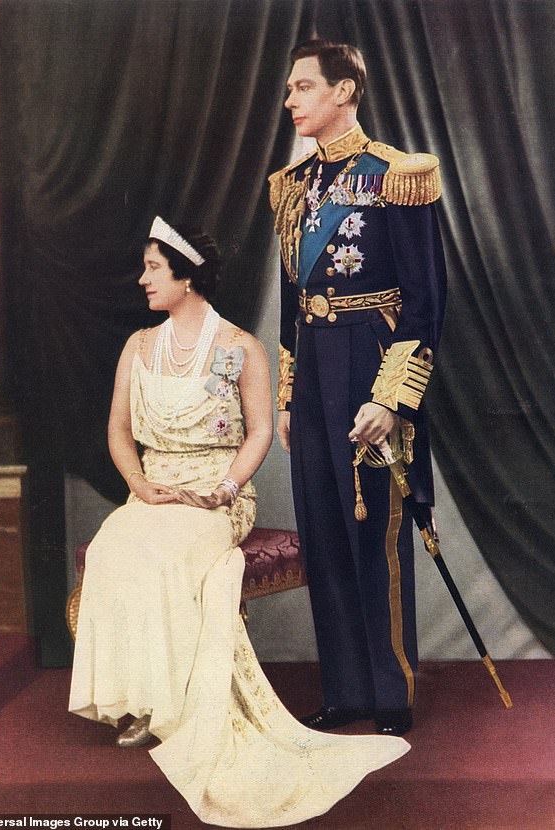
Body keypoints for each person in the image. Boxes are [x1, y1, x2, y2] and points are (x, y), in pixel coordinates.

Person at [69, 217, 410, 827]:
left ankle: (175, 707)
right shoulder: (138, 347)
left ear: (187, 274)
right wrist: (141, 485)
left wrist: (226, 487)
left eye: (153, 267)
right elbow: (119, 433)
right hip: (151, 490)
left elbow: (257, 434)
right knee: (116, 549)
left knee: (170, 555)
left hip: (217, 493)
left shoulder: (240, 349)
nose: (143, 279)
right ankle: (140, 703)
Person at [269, 40, 447, 736]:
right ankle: (345, 690)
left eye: (303, 87)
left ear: (345, 91)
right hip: (313, 370)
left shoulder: (397, 176)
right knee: (325, 533)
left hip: (369, 367)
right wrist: (287, 394)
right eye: (290, 89)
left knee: (374, 530)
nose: (291, 100)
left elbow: (426, 301)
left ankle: (390, 691)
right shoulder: (292, 185)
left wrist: (391, 397)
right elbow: (292, 300)